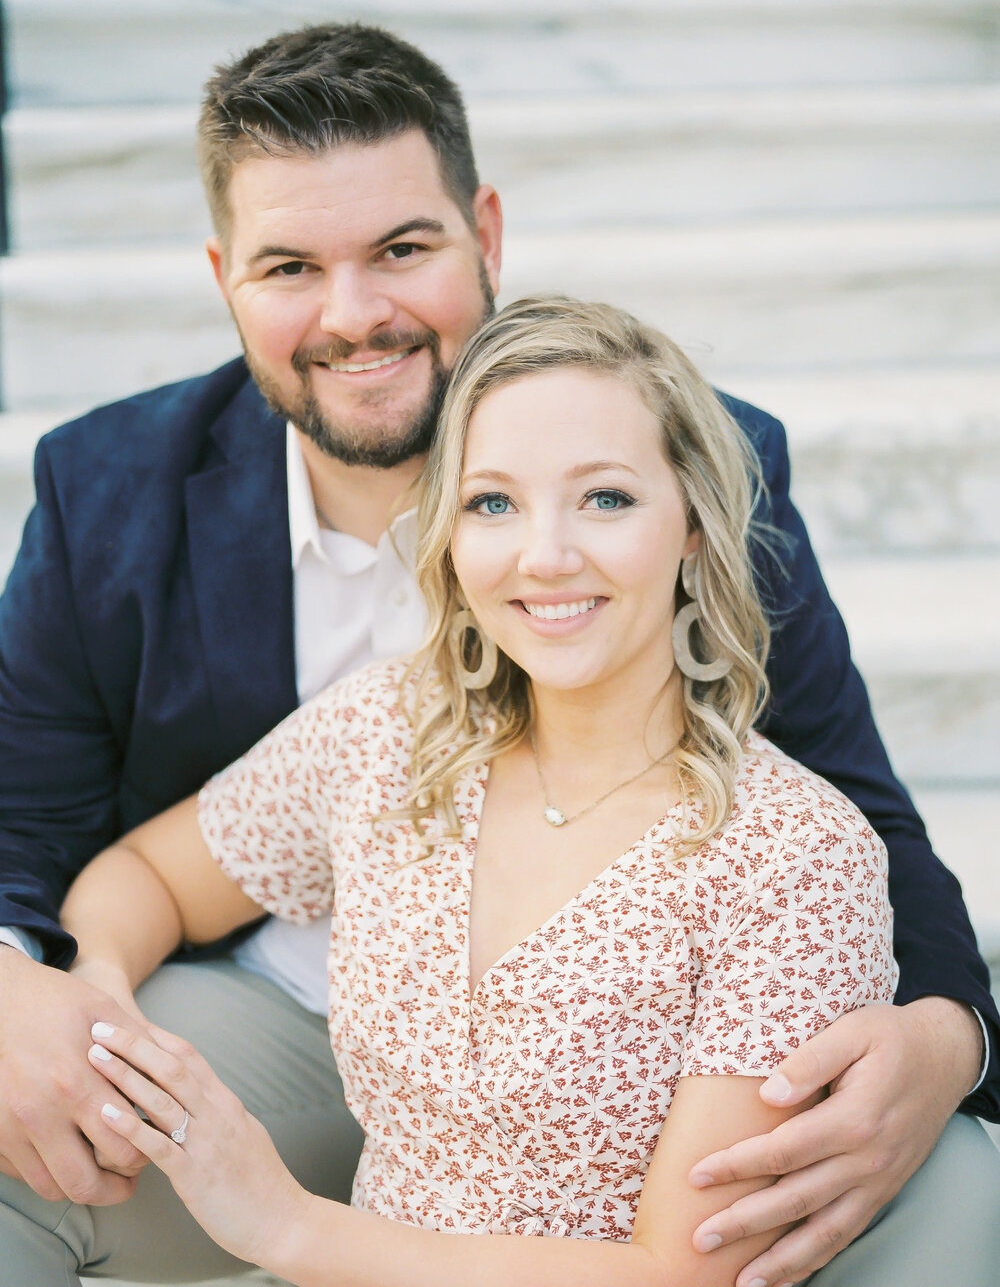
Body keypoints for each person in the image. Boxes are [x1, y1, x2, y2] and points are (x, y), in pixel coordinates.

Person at [0, 21, 995, 1287]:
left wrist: (949, 1037)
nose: (354, 314)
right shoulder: (119, 493)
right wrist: (56, 993)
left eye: (403, 249)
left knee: (958, 1176)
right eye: (292, 264)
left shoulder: (703, 463)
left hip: (626, 1077)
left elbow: (853, 815)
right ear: (224, 277)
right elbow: (39, 818)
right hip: (285, 1016)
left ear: (486, 235)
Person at [60, 295, 902, 1287]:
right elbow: (148, 875)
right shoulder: (391, 732)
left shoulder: (795, 856)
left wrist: (286, 1225)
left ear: (691, 527)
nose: (544, 556)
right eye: (492, 502)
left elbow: (681, 1275)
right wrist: (100, 1001)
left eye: (604, 498)